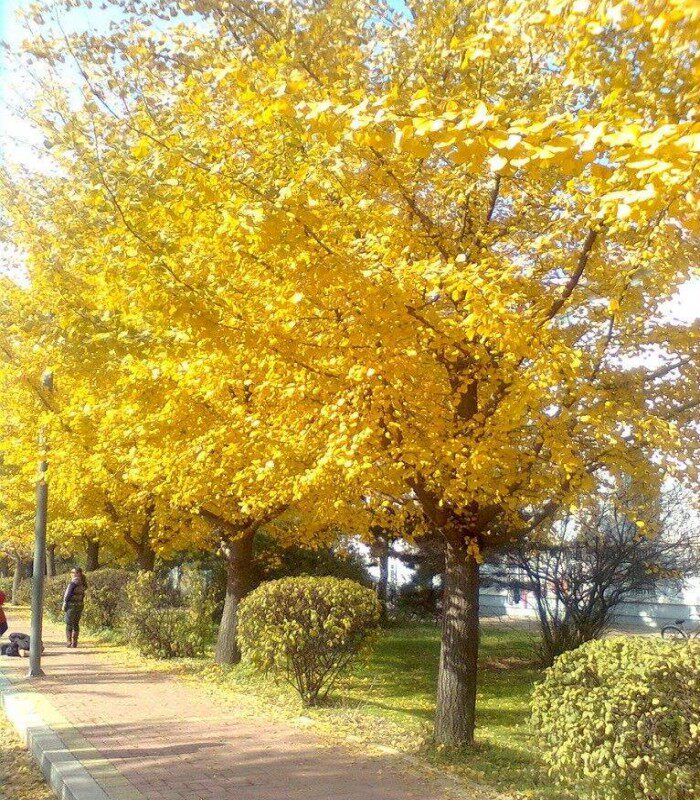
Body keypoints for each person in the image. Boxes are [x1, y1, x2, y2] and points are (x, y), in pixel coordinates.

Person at [62, 567, 87, 648]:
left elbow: (67, 595)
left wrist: (64, 604)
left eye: (73, 572)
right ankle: (75, 642)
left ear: (78, 573)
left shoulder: (73, 583)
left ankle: (69, 641)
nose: (71, 574)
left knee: (68, 623)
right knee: (76, 623)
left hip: (71, 606)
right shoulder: (83, 583)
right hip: (80, 605)